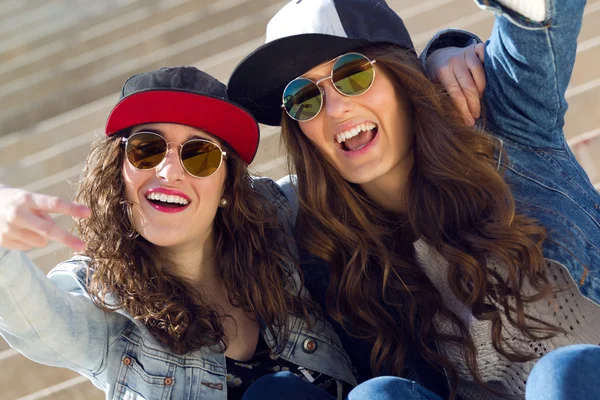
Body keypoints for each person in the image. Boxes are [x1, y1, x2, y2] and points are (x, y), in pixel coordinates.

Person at [227, 0, 600, 399]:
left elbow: (540, 18)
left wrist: (443, 51)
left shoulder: (504, 127)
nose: (334, 109)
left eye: (352, 74)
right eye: (305, 98)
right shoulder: (322, 231)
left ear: (403, 76)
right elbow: (198, 206)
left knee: (561, 373)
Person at [0, 66, 359, 399]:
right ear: (117, 172)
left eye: (200, 155)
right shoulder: (102, 296)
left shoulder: (279, 223)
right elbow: (41, 324)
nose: (170, 171)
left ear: (228, 186)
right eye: (147, 149)